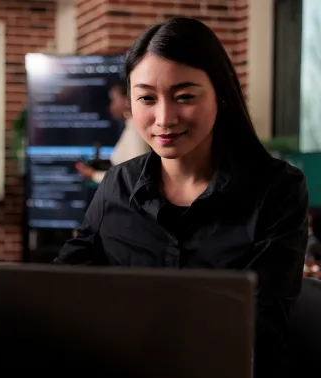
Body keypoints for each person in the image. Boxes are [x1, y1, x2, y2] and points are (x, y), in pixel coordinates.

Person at [54, 18, 308, 377]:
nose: (164, 118)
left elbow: (262, 328)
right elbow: (56, 287)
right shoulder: (117, 185)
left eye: (184, 96)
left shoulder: (276, 190)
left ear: (220, 94)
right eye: (146, 98)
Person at [76, 81, 150, 183]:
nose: (110, 107)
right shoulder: (131, 126)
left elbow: (135, 175)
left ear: (127, 100)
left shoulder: (136, 128)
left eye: (113, 100)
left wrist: (94, 175)